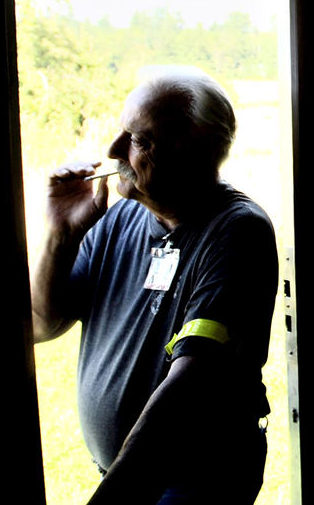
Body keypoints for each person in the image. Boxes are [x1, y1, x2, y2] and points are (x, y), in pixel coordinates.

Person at [30, 66, 278, 504]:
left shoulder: (238, 232)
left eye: (139, 140)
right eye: (121, 132)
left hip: (196, 481)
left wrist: (111, 500)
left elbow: (192, 386)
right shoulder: (115, 218)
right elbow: (40, 324)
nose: (113, 150)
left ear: (195, 155)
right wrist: (60, 236)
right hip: (135, 479)